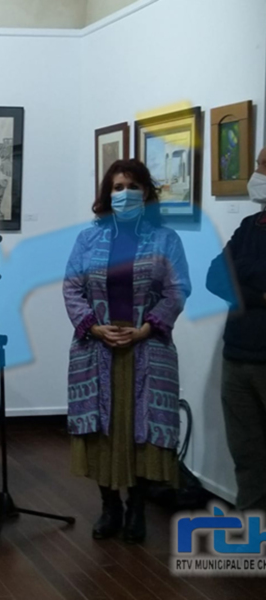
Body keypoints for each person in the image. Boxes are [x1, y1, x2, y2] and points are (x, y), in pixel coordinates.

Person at [63, 158, 190, 544]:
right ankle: (109, 507)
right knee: (103, 429)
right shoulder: (88, 239)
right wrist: (94, 327)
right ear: (108, 193)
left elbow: (177, 290)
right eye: (118, 187)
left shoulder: (166, 239)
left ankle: (136, 508)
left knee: (142, 430)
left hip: (147, 346)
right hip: (96, 346)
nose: (125, 194)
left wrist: (146, 329)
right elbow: (71, 287)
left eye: (132, 187)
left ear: (146, 192)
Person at [206, 147, 266, 512]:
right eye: (258, 163)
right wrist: (259, 293)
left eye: (264, 165)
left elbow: (232, 274)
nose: (257, 172)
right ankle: (253, 529)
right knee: (247, 454)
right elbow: (215, 276)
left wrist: (241, 274)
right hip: (237, 357)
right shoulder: (250, 226)